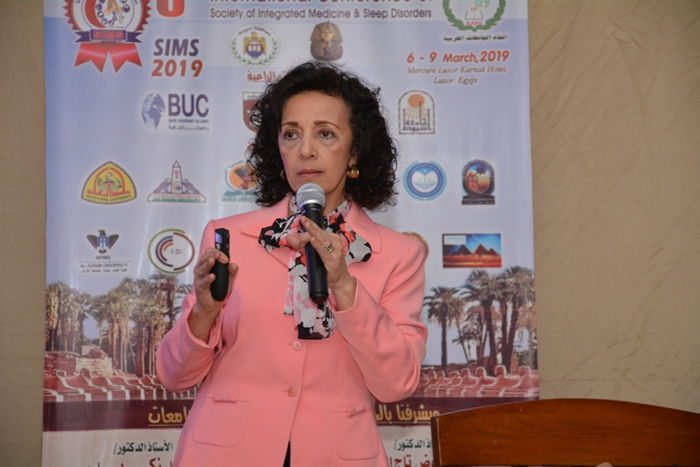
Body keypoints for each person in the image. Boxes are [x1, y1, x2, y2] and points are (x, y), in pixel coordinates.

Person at [156, 61, 427, 467]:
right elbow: (173, 376)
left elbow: (397, 383)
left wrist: (344, 286)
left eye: (325, 133)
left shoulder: (398, 254)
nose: (306, 150)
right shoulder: (228, 237)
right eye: (291, 134)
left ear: (355, 150)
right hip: (223, 453)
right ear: (277, 147)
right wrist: (204, 313)